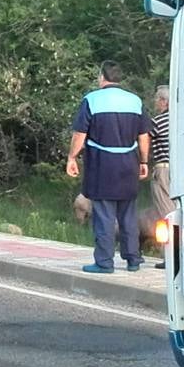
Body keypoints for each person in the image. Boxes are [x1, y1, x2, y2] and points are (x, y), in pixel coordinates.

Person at [66, 61, 152, 273]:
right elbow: (143, 136)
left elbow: (80, 135)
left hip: (102, 165)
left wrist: (71, 158)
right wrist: (143, 161)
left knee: (104, 213)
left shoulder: (92, 100)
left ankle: (104, 262)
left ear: (101, 77)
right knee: (128, 214)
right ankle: (133, 259)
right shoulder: (135, 101)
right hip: (129, 164)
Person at [149, 84, 172, 269]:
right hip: (178, 171)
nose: (155, 103)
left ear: (164, 102)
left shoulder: (157, 122)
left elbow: (143, 140)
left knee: (165, 214)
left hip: (162, 170)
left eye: (157, 99)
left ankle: (170, 256)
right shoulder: (180, 121)